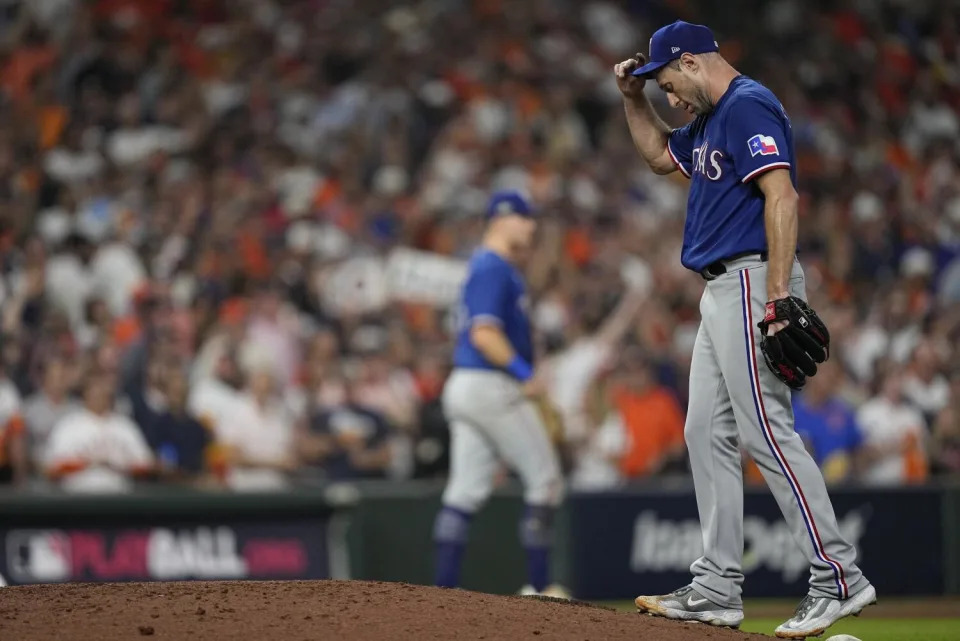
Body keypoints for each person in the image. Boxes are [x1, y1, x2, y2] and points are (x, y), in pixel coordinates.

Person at [614, 21, 874, 637]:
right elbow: (657, 157)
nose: (668, 95)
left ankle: (838, 577)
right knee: (704, 429)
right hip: (719, 288)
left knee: (767, 432)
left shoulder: (746, 104)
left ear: (691, 62)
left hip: (756, 281)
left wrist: (779, 294)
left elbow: (781, 197)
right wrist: (633, 98)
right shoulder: (707, 120)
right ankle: (717, 587)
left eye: (667, 80)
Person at [433, 190, 564, 596]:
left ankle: (442, 592)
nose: (532, 226)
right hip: (491, 383)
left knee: (464, 490)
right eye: (525, 219)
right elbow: (484, 333)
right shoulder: (493, 267)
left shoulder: (488, 266)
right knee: (545, 480)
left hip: (464, 385)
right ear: (503, 220)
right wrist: (525, 373)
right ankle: (539, 587)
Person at [44, 371, 154, 493]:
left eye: (104, 390)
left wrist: (118, 466)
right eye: (95, 390)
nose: (100, 394)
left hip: (120, 498)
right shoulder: (68, 426)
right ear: (85, 394)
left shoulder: (125, 426)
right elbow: (51, 469)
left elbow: (146, 465)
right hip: (76, 498)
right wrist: (88, 464)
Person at [792, 361, 863, 484]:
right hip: (801, 487)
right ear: (810, 376)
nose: (831, 378)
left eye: (834, 375)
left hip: (842, 489)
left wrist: (850, 463)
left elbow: (858, 449)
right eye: (825, 373)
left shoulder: (843, 411)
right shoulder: (791, 412)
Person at [856, 371, 929, 486]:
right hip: (877, 482)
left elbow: (922, 450)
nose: (896, 385)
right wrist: (898, 446)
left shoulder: (913, 415)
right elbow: (862, 453)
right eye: (891, 380)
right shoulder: (868, 412)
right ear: (883, 383)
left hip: (909, 483)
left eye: (899, 380)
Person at [22, 356, 79, 473]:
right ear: (45, 379)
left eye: (62, 377)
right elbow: (23, 447)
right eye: (53, 377)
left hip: (72, 471)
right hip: (38, 471)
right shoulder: (29, 409)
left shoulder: (78, 409)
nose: (58, 382)